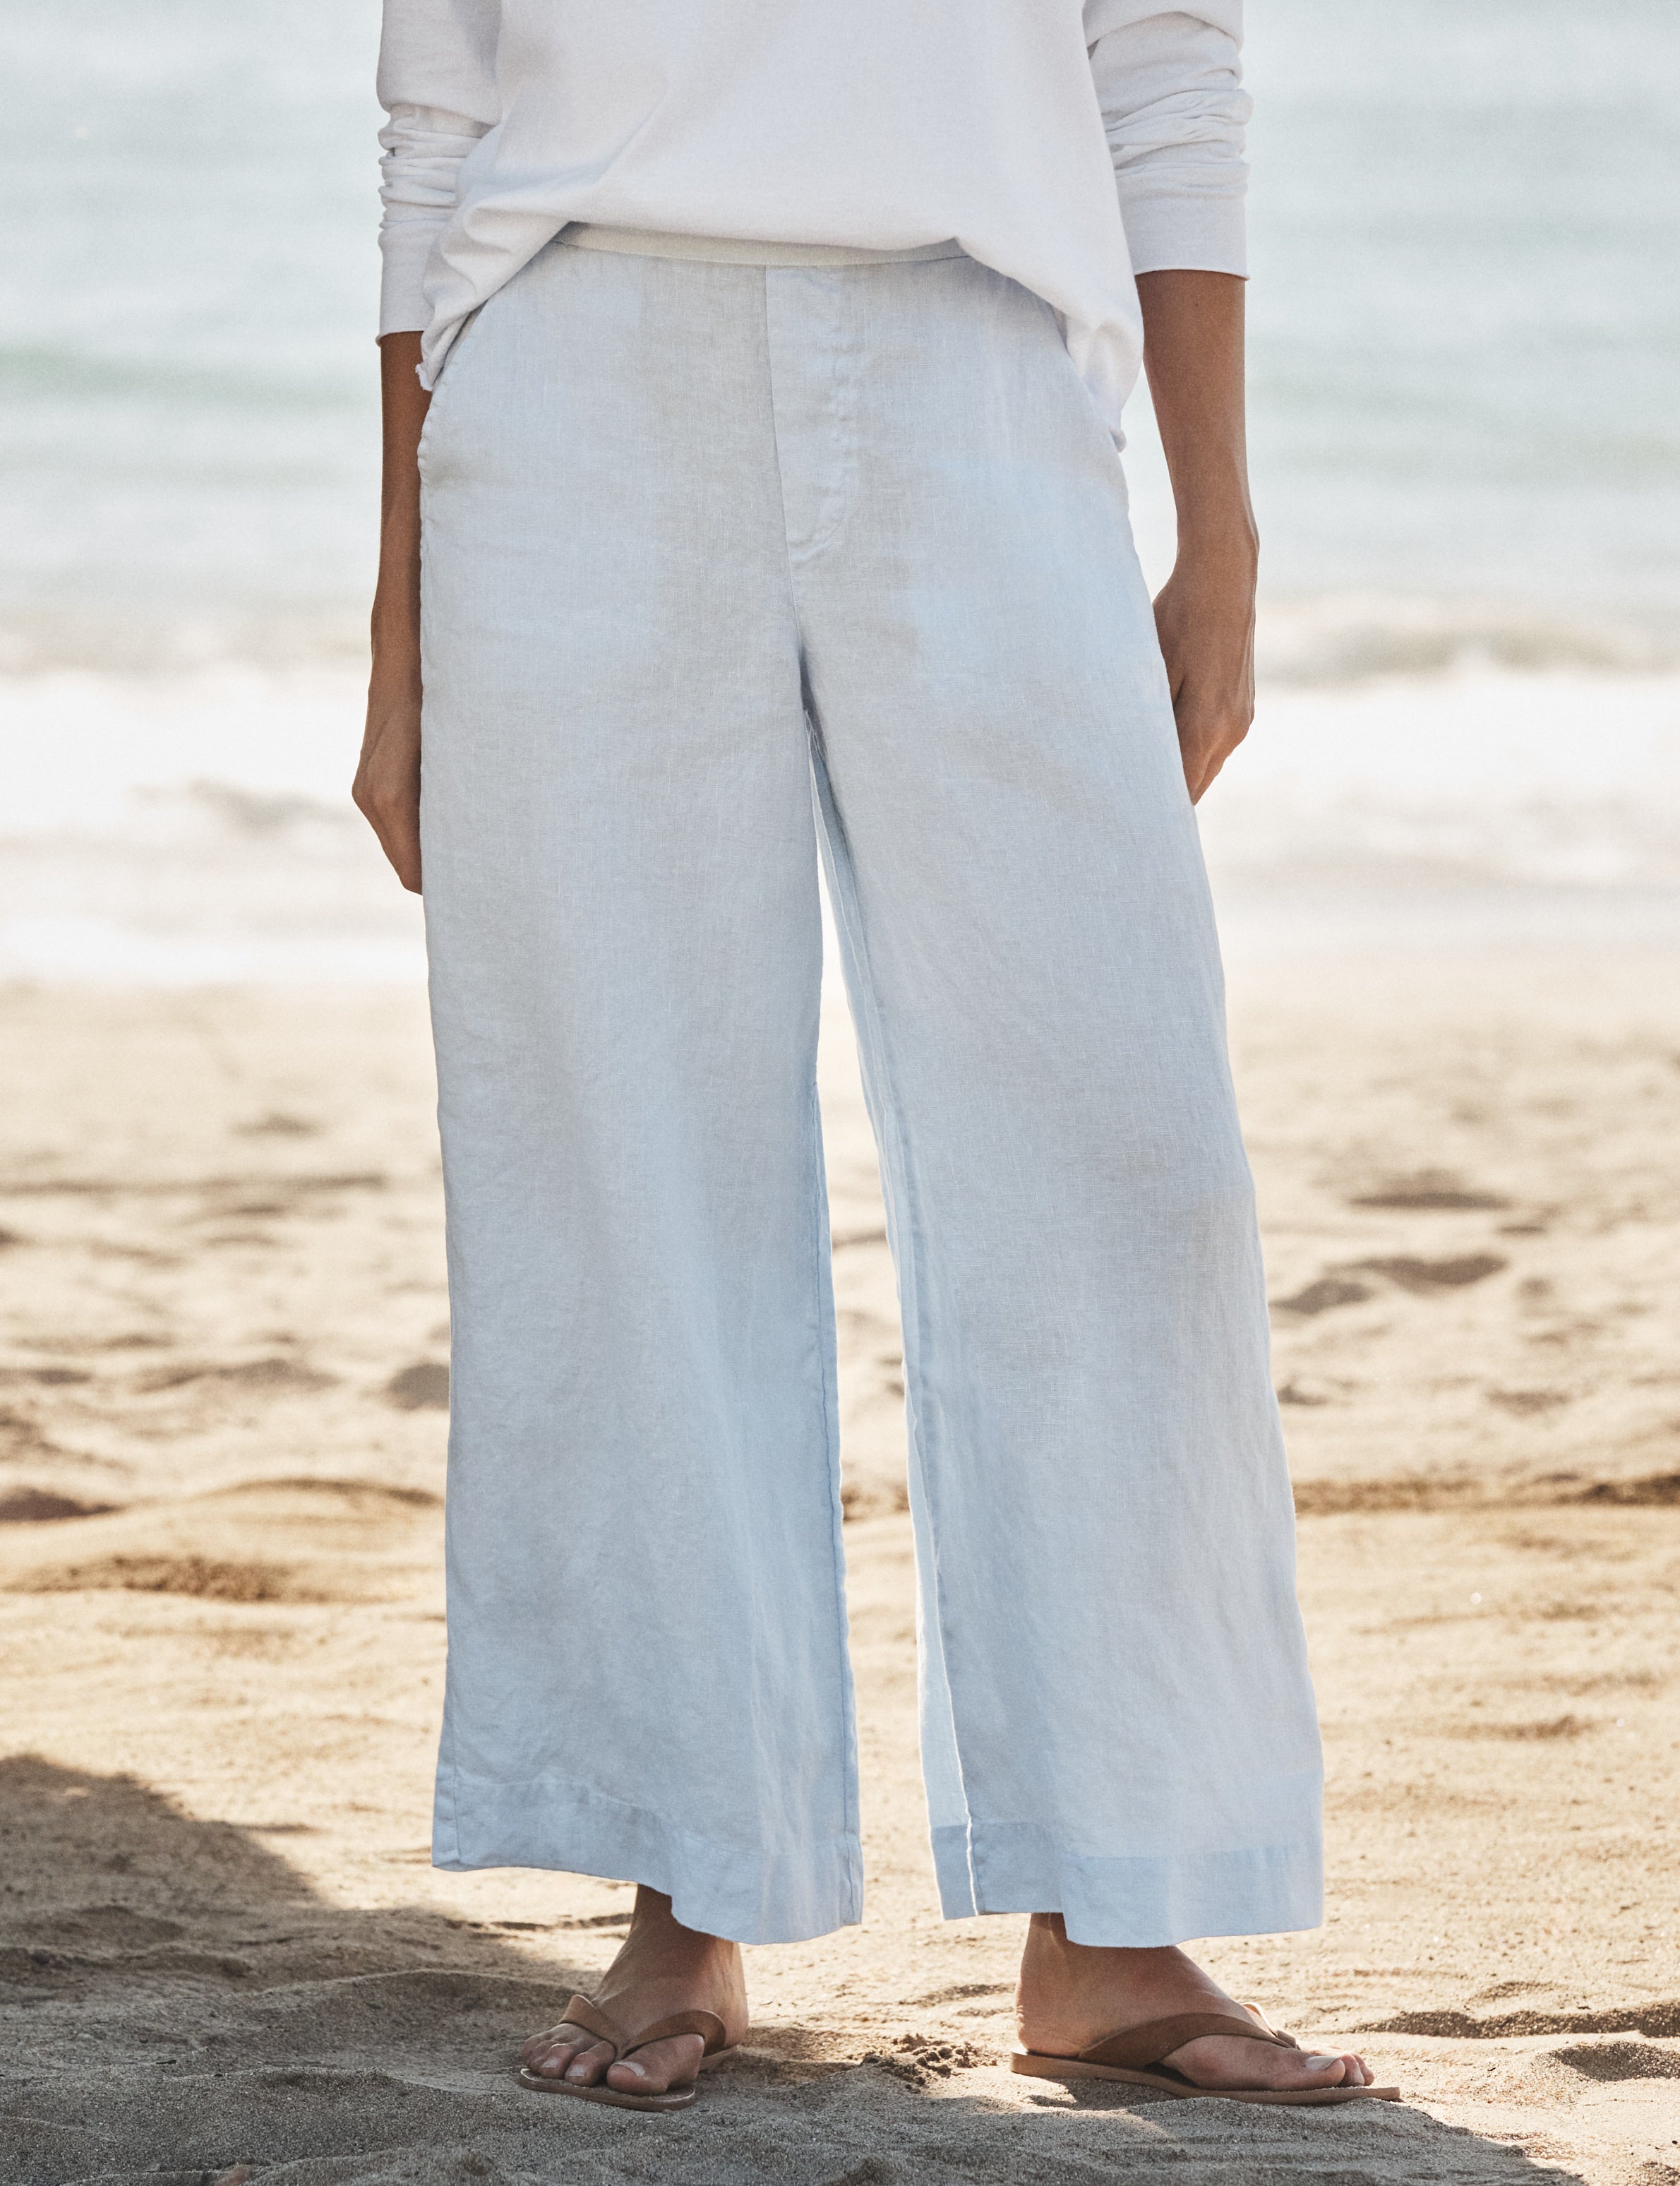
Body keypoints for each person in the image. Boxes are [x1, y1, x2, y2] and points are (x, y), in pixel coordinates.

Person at [354, 0, 1390, 2116]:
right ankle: (686, 1884)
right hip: (571, 382)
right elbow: (435, 120)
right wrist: (400, 623)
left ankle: (1115, 1912)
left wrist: (1225, 535)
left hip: (980, 374)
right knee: (625, 1163)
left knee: (1120, 1156)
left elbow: (1161, 64)